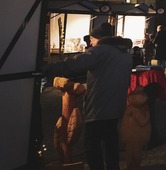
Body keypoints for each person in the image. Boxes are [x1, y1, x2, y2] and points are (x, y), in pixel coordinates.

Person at [43, 22, 132, 170]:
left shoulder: (100, 51)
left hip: (99, 106)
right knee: (111, 143)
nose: (90, 42)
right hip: (116, 105)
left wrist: (48, 68)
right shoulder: (123, 53)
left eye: (91, 39)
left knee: (92, 145)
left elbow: (75, 63)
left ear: (98, 38)